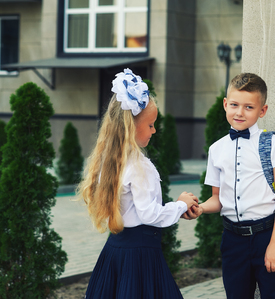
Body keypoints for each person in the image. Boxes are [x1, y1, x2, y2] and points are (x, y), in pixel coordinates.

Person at [77, 68, 199, 298]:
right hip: (139, 258)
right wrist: (181, 204)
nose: (154, 130)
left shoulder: (108, 161)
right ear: (131, 126)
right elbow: (149, 215)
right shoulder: (139, 166)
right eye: (150, 125)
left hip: (116, 252)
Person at [183, 73, 275, 298]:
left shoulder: (273, 143)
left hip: (266, 236)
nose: (239, 112)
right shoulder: (216, 149)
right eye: (234, 105)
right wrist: (201, 208)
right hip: (232, 241)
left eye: (249, 107)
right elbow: (218, 199)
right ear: (225, 104)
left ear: (262, 110)